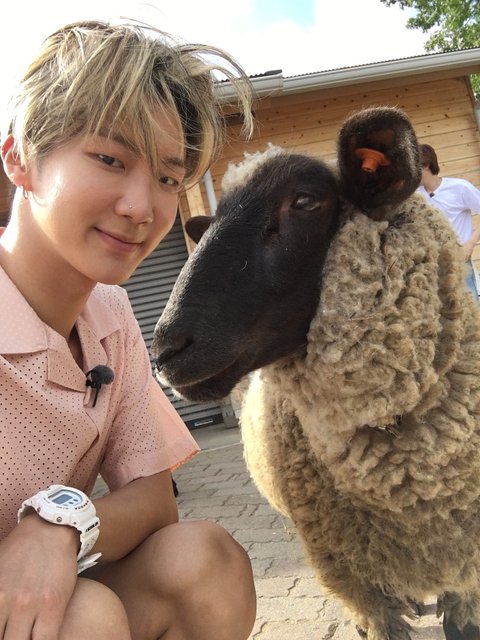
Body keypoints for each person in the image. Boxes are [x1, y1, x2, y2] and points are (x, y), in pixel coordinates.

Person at [0, 19, 256, 639]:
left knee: (205, 561)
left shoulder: (111, 316)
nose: (142, 208)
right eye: (110, 159)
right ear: (20, 159)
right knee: (85, 617)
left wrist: (60, 525)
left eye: (167, 178)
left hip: (50, 592)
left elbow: (154, 498)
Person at [417, 143, 480, 301]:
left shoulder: (460, 188)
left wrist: (470, 244)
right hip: (431, 266)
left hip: (459, 261)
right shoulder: (416, 196)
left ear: (425, 165)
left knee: (469, 306)